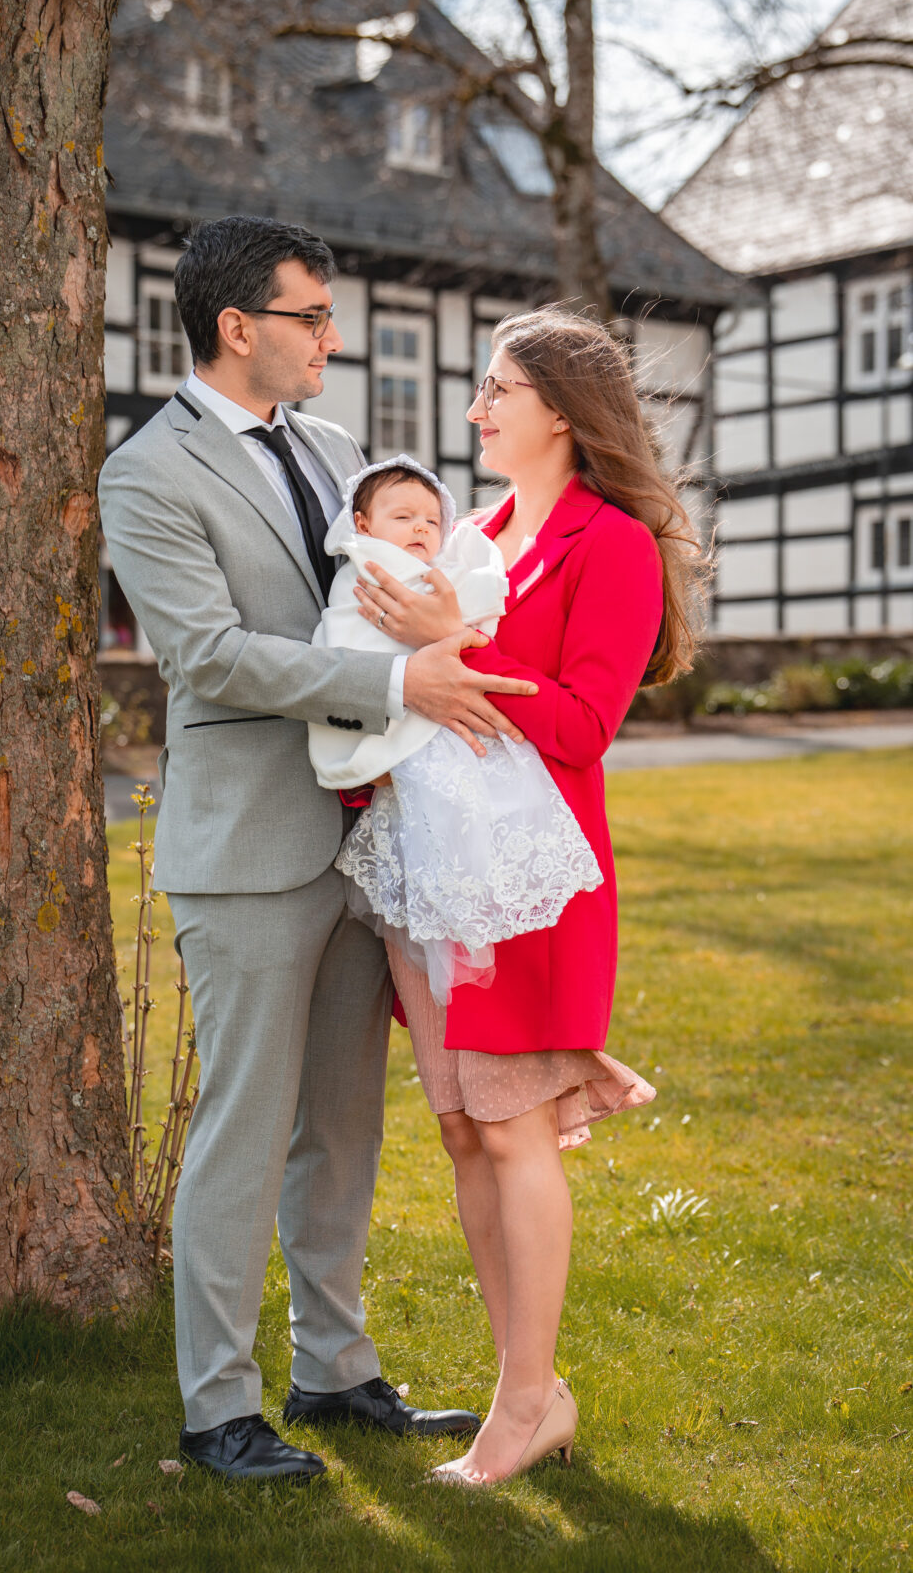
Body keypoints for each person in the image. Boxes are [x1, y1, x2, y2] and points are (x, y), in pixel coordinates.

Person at [97, 215, 539, 1484]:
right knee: (244, 1129)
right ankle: (216, 1409)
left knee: (342, 1130)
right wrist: (400, 680)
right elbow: (208, 657)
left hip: (369, 838)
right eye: (312, 317)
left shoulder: (342, 452)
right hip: (247, 844)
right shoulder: (148, 472)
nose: (331, 339)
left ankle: (333, 1372)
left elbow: (398, 589)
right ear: (238, 326)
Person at [349, 306, 711, 1486]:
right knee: (462, 1128)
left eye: (496, 389)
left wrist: (454, 645)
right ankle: (532, 1389)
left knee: (511, 1129)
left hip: (528, 883)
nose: (474, 411)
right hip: (428, 874)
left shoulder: (612, 544)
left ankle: (519, 1403)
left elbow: (583, 724)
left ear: (558, 407)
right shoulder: (477, 532)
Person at [308, 455, 603, 1002]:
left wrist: (452, 617)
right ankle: (456, 900)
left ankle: (479, 894)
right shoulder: (367, 571)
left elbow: (472, 598)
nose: (421, 529)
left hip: (450, 727)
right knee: (435, 827)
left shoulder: (449, 562)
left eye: (431, 520)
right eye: (403, 518)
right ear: (363, 526)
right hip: (402, 714)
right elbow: (344, 638)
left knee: (466, 815)